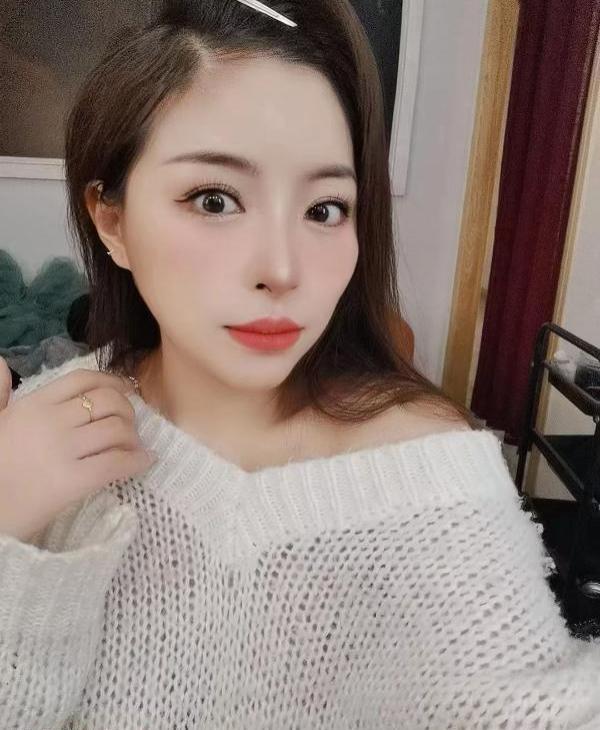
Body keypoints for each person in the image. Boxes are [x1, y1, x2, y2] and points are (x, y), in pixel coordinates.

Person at [1, 1, 599, 727]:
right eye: (215, 199)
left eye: (325, 210)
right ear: (113, 219)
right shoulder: (44, 431)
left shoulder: (430, 482)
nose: (283, 270)